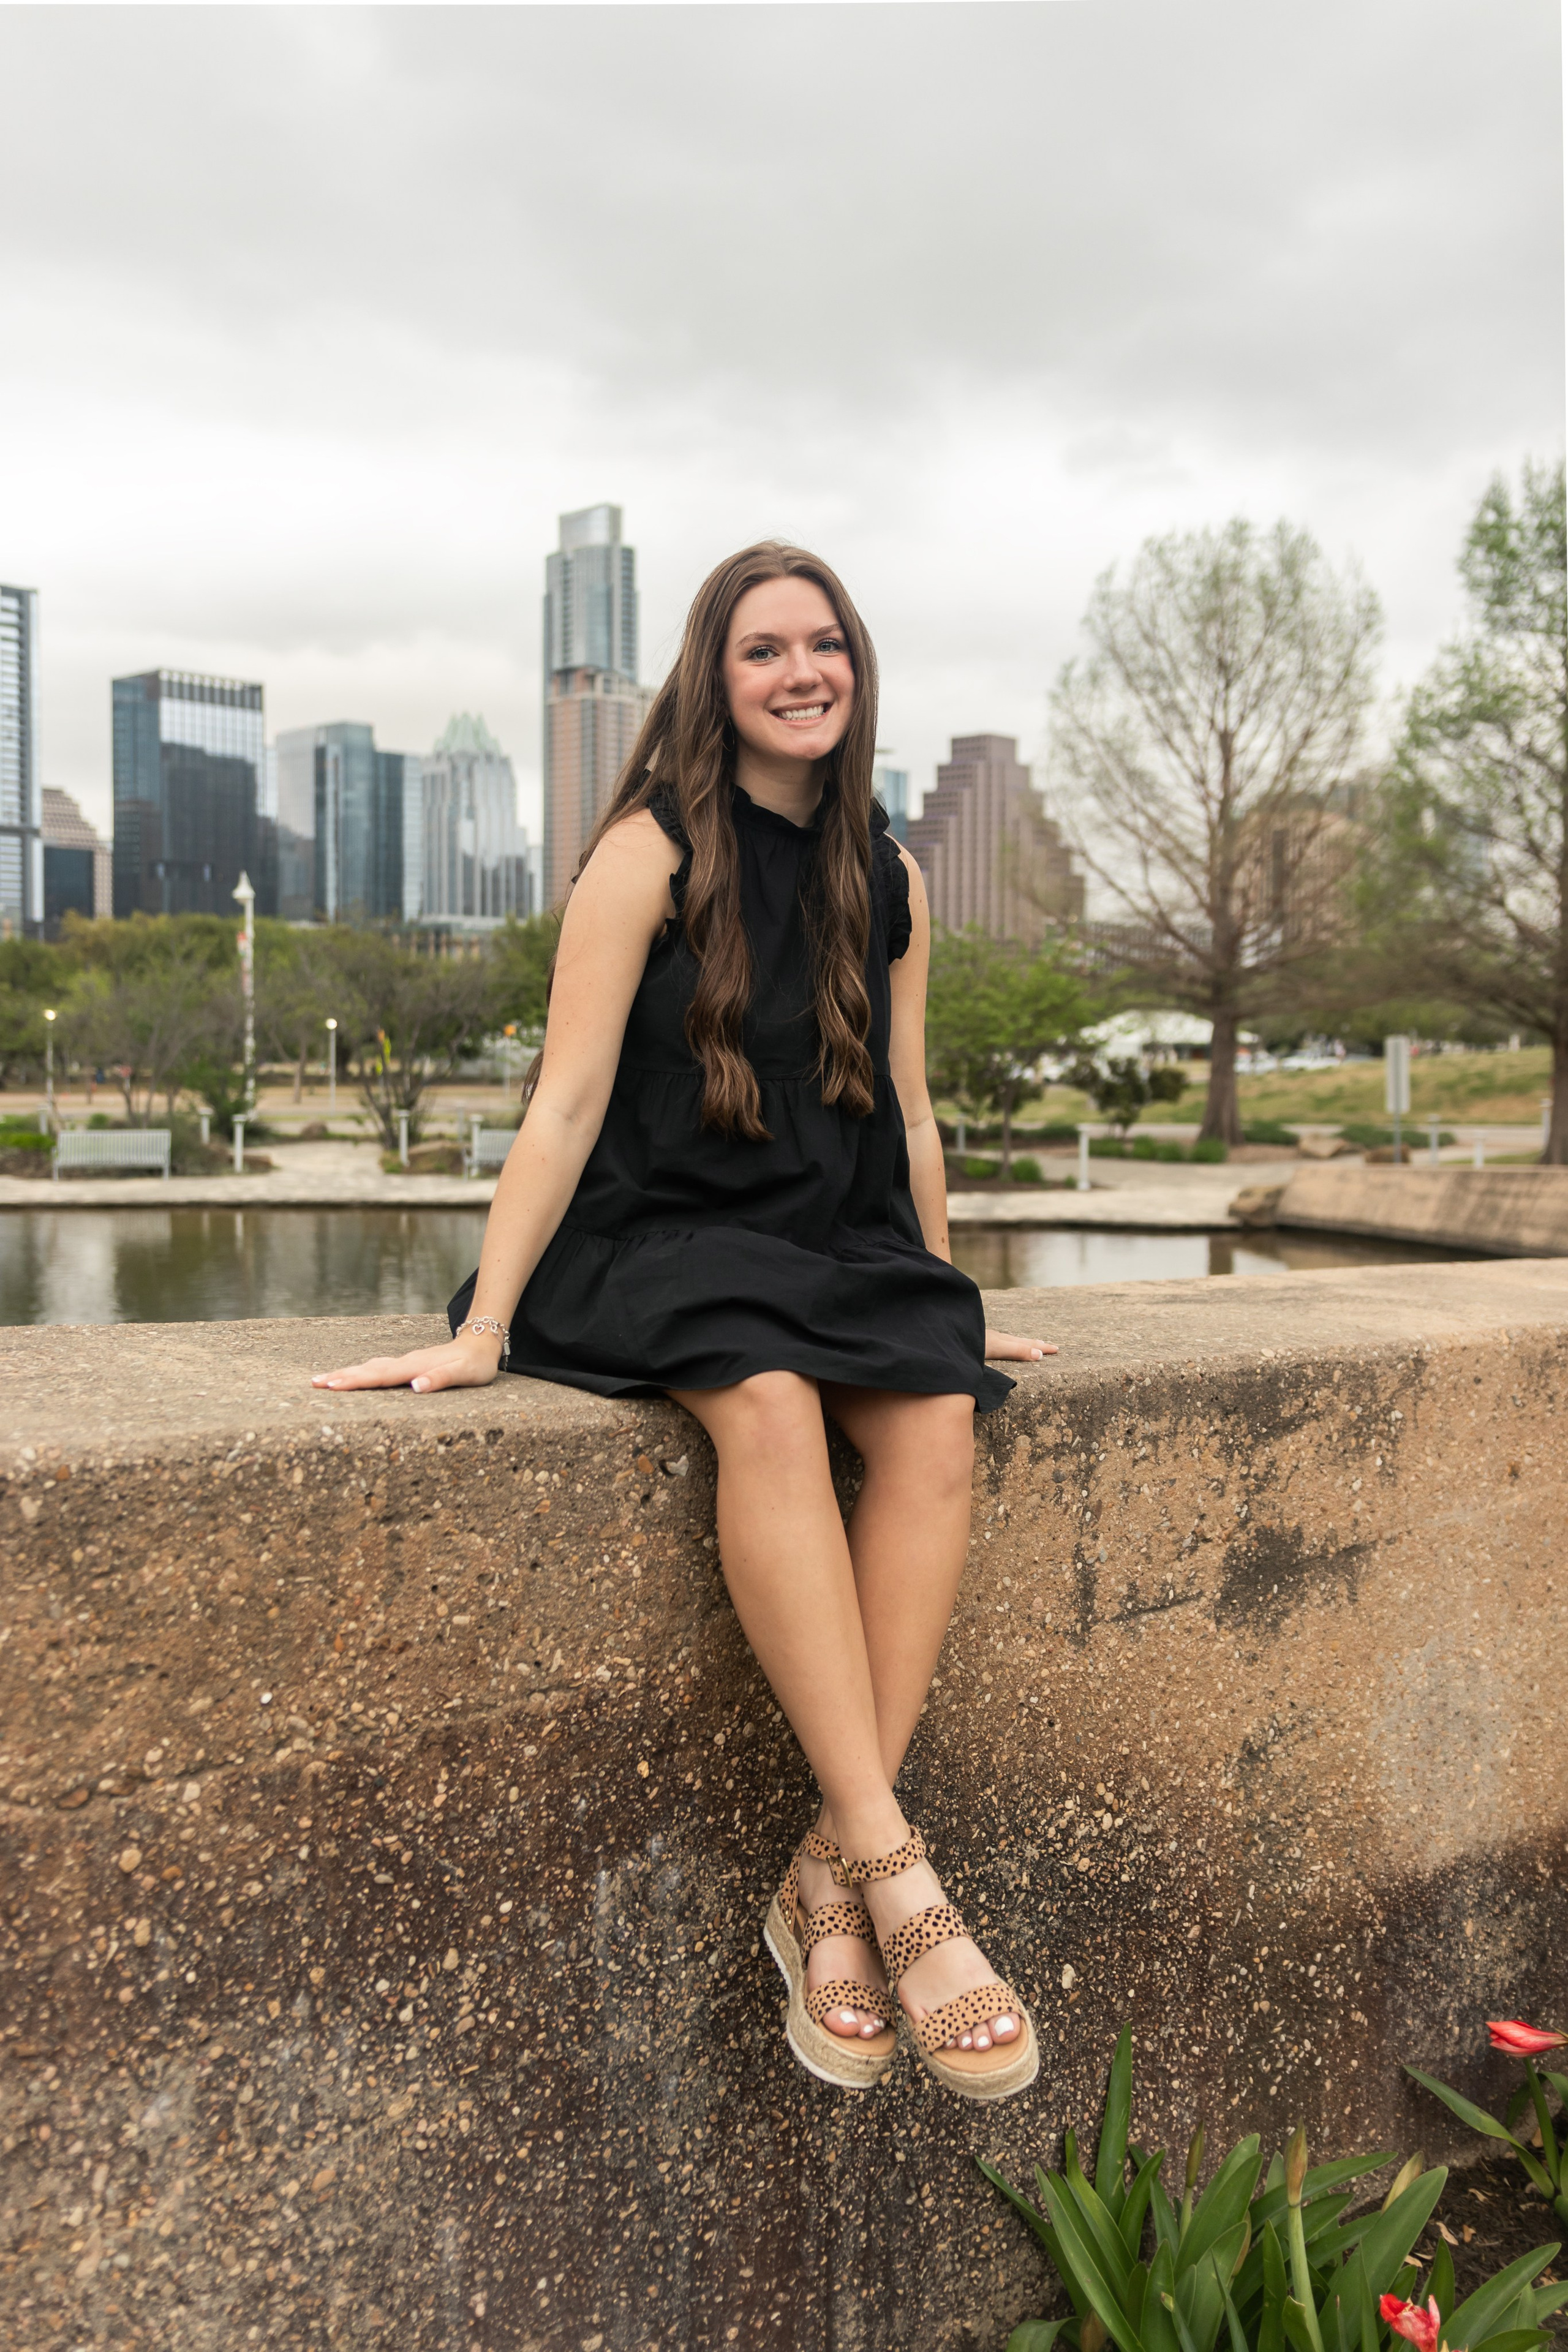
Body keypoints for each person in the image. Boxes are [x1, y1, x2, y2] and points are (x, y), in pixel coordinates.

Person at [314, 543, 1053, 2100]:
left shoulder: (891, 874)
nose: (803, 672)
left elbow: (908, 1107)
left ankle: (823, 1882)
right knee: (768, 1405)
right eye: (764, 649)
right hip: (655, 1232)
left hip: (826, 1231)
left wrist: (943, 1290)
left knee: (933, 1410)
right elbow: (567, 1093)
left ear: (856, 669)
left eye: (825, 645)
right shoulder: (649, 851)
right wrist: (484, 1325)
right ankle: (889, 1868)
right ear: (713, 682)